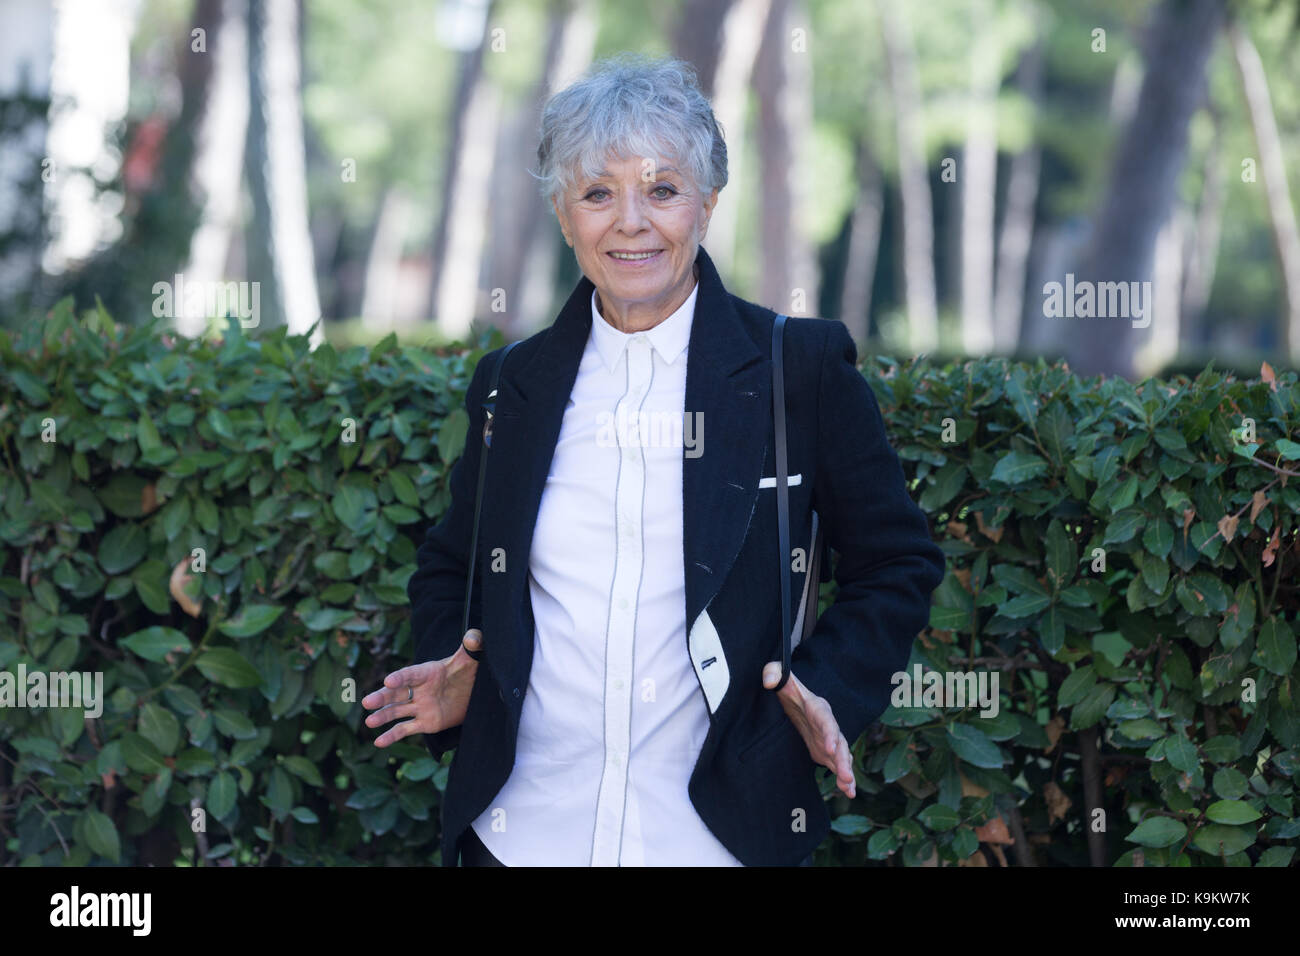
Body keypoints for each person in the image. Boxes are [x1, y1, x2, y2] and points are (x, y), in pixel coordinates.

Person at [362, 52, 945, 866]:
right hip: (521, 834)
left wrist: (828, 692)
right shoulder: (510, 386)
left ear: (707, 203)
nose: (630, 222)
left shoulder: (798, 369)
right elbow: (454, 563)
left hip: (717, 840)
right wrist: (455, 669)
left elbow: (898, 562)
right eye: (598, 192)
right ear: (565, 215)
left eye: (663, 189)